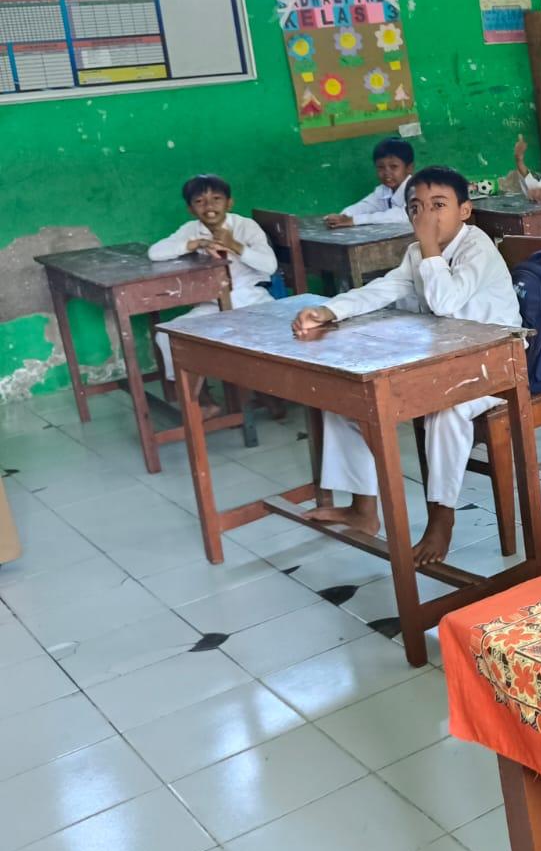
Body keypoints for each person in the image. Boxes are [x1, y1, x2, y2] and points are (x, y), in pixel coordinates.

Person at [291, 165, 519, 564]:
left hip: (494, 361)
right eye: (416, 207)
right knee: (344, 395)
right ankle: (362, 507)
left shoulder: (476, 246)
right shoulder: (417, 253)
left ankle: (441, 518)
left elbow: (446, 302)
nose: (426, 216)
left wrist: (429, 247)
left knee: (445, 411)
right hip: (443, 358)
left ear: (464, 211)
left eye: (438, 205)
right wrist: (329, 310)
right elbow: (385, 289)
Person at [147, 174, 275, 415]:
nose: (209, 206)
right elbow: (155, 252)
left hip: (253, 301)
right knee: (168, 335)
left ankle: (268, 395)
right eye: (200, 201)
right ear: (190, 209)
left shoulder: (245, 226)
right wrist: (195, 244)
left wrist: (235, 245)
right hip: (213, 306)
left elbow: (270, 266)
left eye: (216, 199)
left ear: (229, 203)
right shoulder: (191, 230)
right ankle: (204, 402)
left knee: (263, 341)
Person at [324, 137, 415, 227]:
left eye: (393, 166)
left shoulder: (416, 190)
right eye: (381, 167)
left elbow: (403, 215)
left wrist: (354, 220)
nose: (387, 173)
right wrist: (343, 216)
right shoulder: (384, 190)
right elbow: (365, 206)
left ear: (409, 168)